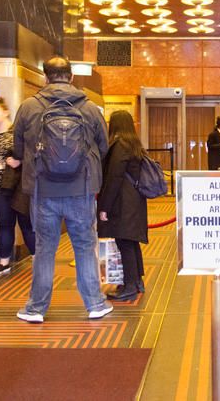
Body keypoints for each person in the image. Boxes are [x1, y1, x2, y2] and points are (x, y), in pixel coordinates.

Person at [12, 55, 111, 323]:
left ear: (45, 77)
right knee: (84, 245)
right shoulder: (90, 109)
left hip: (43, 191)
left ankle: (36, 309)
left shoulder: (29, 107)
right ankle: (95, 304)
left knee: (45, 248)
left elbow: (18, 149)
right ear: (71, 76)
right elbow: (104, 147)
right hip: (81, 189)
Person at [0, 97, 36, 279]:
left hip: (20, 187)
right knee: (4, 224)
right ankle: (4, 263)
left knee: (27, 225)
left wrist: (20, 161)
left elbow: (35, 155)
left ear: (5, 112)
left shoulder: (18, 133)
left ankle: (38, 260)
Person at [98, 110, 149, 302]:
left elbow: (114, 178)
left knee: (124, 242)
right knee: (131, 241)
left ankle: (129, 285)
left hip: (122, 202)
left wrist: (104, 207)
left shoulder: (119, 146)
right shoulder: (134, 144)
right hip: (134, 201)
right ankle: (136, 281)